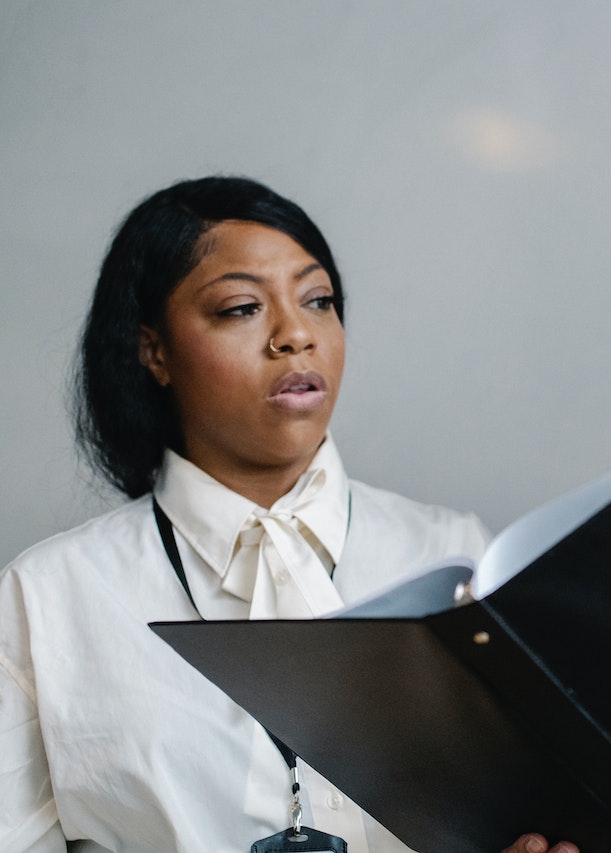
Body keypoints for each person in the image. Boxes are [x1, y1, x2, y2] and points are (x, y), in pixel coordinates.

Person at [0, 176, 490, 852]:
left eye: (319, 300)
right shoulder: (47, 596)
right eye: (240, 308)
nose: (296, 334)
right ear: (154, 351)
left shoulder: (455, 554)